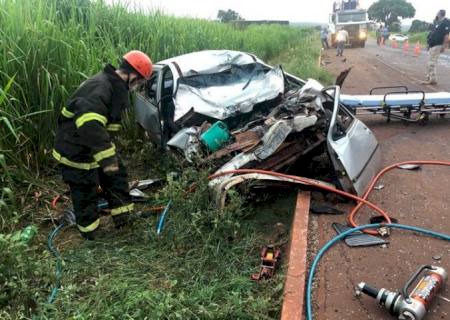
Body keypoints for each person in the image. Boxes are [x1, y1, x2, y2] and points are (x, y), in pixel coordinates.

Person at [53, 50, 153, 239]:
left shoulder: (115, 87)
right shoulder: (101, 87)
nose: (138, 86)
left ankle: (124, 219)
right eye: (139, 81)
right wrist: (108, 160)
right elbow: (90, 125)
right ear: (131, 74)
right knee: (85, 191)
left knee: (117, 177)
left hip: (94, 148)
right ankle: (91, 233)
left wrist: (110, 160)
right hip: (75, 151)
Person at [422, 10, 449, 85]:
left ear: (440, 14)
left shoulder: (446, 22)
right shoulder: (438, 22)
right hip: (432, 45)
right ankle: (429, 77)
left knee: (431, 62)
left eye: (437, 13)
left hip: (438, 45)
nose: (436, 14)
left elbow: (446, 35)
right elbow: (433, 33)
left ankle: (432, 80)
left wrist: (444, 46)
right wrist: (429, 44)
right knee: (429, 62)